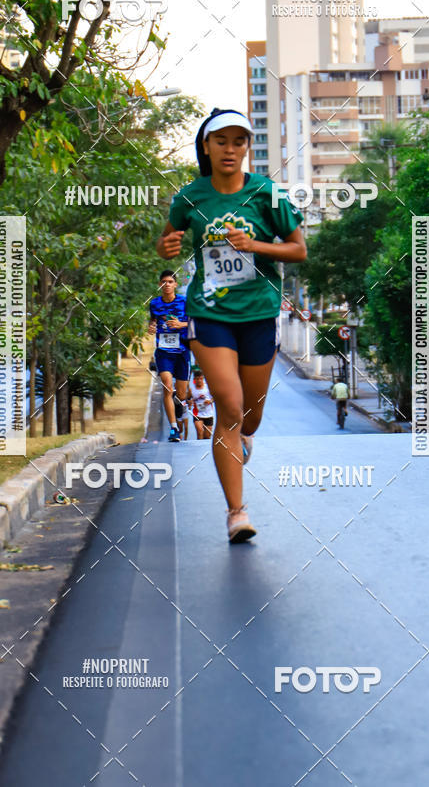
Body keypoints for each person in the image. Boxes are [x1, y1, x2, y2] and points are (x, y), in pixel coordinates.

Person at [156, 107, 306, 543]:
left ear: (247, 147)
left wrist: (255, 244)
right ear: (206, 146)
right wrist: (167, 245)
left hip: (259, 313)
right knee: (229, 406)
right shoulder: (190, 197)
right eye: (221, 141)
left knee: (250, 418)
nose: (230, 149)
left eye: (239, 141)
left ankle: (241, 440)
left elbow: (298, 250)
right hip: (209, 313)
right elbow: (169, 241)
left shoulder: (268, 193)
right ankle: (236, 513)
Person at [148, 270, 190, 442]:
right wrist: (151, 327)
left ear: (175, 284)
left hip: (182, 351)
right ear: (160, 284)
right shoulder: (154, 304)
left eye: (170, 282)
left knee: (181, 394)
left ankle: (179, 407)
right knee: (167, 385)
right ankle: (173, 429)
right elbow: (153, 321)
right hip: (164, 352)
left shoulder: (184, 301)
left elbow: (195, 322)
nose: (167, 284)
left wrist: (181, 324)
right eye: (164, 281)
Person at [189, 369, 215, 440]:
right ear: (194, 379)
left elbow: (215, 397)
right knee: (199, 432)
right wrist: (190, 402)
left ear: (203, 378)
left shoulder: (208, 388)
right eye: (197, 379)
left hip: (208, 414)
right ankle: (198, 448)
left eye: (201, 379)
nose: (199, 380)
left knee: (207, 436)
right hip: (197, 414)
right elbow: (187, 399)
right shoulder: (192, 389)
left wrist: (210, 401)